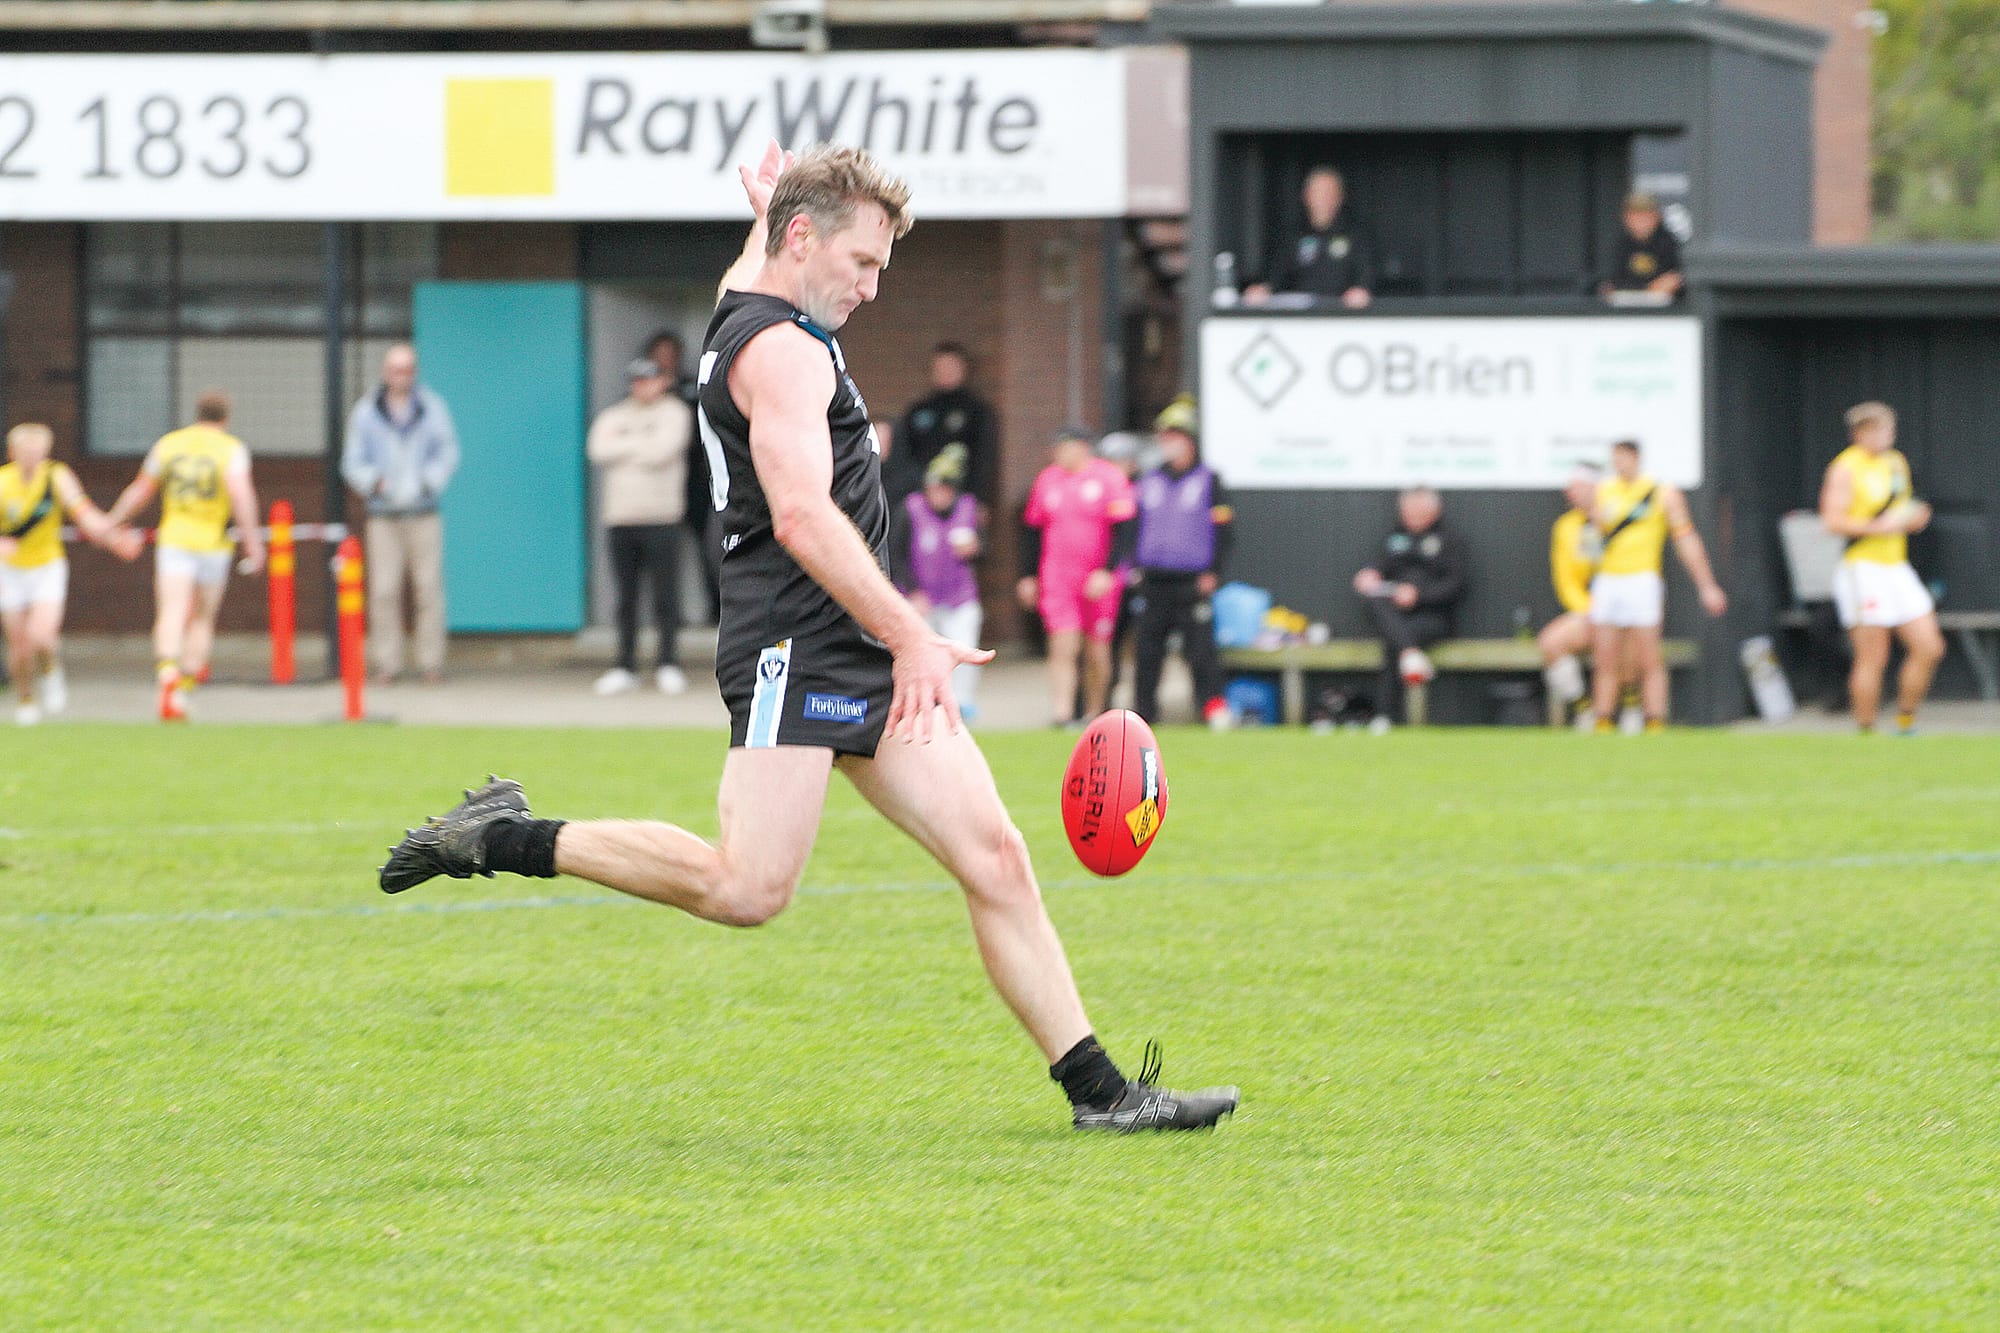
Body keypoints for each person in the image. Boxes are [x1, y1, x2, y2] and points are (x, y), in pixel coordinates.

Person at [378, 141, 1237, 1133]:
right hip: (796, 644)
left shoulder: (752, 295)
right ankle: (503, 834)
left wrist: (763, 212)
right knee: (746, 887)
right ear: (800, 239)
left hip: (859, 646)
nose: (871, 288)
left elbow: (748, 267)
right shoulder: (779, 349)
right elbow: (799, 513)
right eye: (861, 263)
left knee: (995, 855)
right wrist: (912, 633)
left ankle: (1103, 1095)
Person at [104, 391, 266, 721]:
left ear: (197, 413)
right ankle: (185, 689)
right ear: (226, 418)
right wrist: (253, 541)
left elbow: (141, 490)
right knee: (202, 619)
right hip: (213, 544)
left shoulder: (169, 444)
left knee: (172, 611)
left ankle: (167, 674)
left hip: (175, 540)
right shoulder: (231, 449)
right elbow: (240, 494)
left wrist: (113, 522)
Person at [0, 423, 141, 724]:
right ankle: (26, 700)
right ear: (12, 454)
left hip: (47, 567)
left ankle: (50, 671)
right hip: (9, 571)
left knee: (42, 637)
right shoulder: (2, 482)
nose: (31, 460)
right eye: (25, 453)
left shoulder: (57, 476)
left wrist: (113, 537)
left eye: (37, 454)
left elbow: (84, 514)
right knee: (19, 644)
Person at [1586, 439, 1728, 732]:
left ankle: (1654, 719)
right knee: (1605, 656)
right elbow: (1591, 542)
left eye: (1624, 458)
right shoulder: (1603, 491)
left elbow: (1685, 539)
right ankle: (1603, 718)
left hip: (1642, 579)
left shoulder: (1661, 493)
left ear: (1636, 458)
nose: (1619, 465)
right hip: (1609, 580)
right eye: (1615, 459)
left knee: (1648, 656)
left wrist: (1706, 585)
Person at [1819, 401, 1943, 734]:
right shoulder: (1845, 468)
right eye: (1880, 430)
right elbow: (1832, 520)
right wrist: (1879, 528)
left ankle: (1905, 720)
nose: (1888, 436)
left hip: (1896, 566)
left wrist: (1916, 517)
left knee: (1929, 646)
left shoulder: (1895, 462)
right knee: (1874, 654)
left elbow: (1904, 506)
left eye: (1890, 429)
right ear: (1860, 433)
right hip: (1863, 569)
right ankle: (1867, 730)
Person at [341, 343, 460, 684]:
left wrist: (428, 482)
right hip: (383, 515)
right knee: (383, 591)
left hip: (424, 513)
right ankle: (387, 663)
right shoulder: (366, 411)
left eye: (407, 369)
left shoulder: (432, 408)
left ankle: (431, 663)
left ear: (415, 372)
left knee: (429, 589)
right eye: (395, 369)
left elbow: (448, 451)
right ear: (385, 372)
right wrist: (374, 482)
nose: (401, 376)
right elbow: (352, 460)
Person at [1018, 425, 1137, 728]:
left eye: (1064, 446)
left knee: (1097, 649)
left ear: (1083, 447)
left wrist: (1108, 571)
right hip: (1058, 576)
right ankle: (1062, 714)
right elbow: (1032, 531)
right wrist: (1028, 575)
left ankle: (1094, 714)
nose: (1058, 454)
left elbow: (1124, 529)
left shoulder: (1109, 477)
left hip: (1097, 579)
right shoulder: (1048, 480)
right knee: (1063, 644)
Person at [588, 357, 693, 696]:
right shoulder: (614, 414)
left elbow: (662, 451)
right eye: (636, 380)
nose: (641, 386)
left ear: (662, 381)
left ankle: (668, 663)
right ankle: (624, 665)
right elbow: (598, 449)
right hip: (621, 519)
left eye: (648, 380)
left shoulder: (675, 412)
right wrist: (638, 444)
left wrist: (626, 447)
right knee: (626, 598)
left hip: (661, 518)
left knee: (665, 596)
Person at [1129, 395, 1234, 728]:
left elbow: (1224, 530)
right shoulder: (1148, 480)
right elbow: (1133, 526)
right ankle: (1143, 716)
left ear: (1189, 440)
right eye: (1163, 436)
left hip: (1192, 580)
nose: (1166, 443)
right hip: (1154, 579)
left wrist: (1214, 570)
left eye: (1173, 436)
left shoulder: (1209, 479)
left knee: (1201, 652)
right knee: (1147, 653)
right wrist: (1131, 565)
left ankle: (1213, 709)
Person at [1352, 486, 1468, 725]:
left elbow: (1456, 585)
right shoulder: (1395, 538)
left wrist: (1419, 595)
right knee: (1377, 603)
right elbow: (1380, 568)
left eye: (1418, 512)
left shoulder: (1450, 540)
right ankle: (1411, 654)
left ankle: (1384, 716)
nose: (1411, 518)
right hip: (1396, 617)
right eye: (1407, 512)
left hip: (1434, 619)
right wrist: (1370, 574)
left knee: (1395, 642)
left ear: (1434, 511)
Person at [897, 445, 983, 719]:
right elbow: (895, 553)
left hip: (959, 595)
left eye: (944, 489)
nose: (938, 495)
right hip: (920, 598)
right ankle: (925, 700)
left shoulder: (968, 508)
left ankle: (962, 702)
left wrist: (975, 548)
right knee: (921, 652)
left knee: (964, 647)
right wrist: (913, 591)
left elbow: (983, 547)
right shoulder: (911, 509)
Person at [649, 329, 723, 625]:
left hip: (697, 481)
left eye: (670, 354)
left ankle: (715, 609)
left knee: (709, 549)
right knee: (663, 554)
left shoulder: (693, 386)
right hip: (661, 484)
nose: (666, 360)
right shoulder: (645, 390)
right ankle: (667, 616)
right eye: (660, 355)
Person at [1243, 166, 1374, 309]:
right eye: (1318, 193)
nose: (1323, 199)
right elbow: (1274, 277)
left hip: (1341, 316)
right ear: (1306, 196)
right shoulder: (1293, 235)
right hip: (1299, 317)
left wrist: (1361, 290)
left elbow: (1366, 276)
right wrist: (1262, 290)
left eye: (1329, 193)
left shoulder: (1356, 235)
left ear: (1340, 197)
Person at [891, 342, 999, 514]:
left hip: (963, 499)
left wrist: (981, 500)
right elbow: (904, 454)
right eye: (940, 367)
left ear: (963, 369)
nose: (945, 372)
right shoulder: (918, 411)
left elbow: (984, 459)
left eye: (951, 366)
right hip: (920, 500)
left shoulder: (977, 412)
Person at [1538, 463, 1604, 724]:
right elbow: (1567, 580)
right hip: (1587, 612)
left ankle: (1625, 712)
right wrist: (1588, 610)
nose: (1570, 493)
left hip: (1621, 611)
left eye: (1577, 487)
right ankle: (1584, 709)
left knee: (1614, 646)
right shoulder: (1566, 527)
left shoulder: (1616, 519)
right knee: (1551, 642)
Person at [1599, 192, 1683, 301]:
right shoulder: (1620, 244)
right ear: (1626, 217)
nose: (1640, 221)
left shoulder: (1670, 243)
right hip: (1626, 310)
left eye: (1646, 215)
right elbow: (1610, 284)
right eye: (1634, 215)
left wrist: (1673, 282)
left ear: (1657, 216)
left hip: (1666, 312)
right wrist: (1649, 289)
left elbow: (1678, 279)